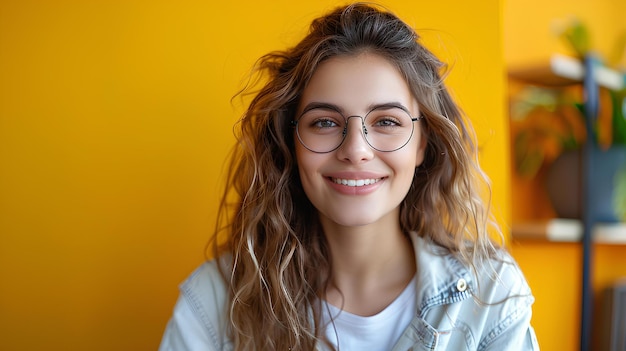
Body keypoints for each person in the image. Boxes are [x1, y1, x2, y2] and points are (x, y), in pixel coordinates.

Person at [159, 3, 538, 350]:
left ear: (423, 143)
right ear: (290, 142)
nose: (356, 148)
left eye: (387, 121)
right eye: (324, 122)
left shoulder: (491, 297)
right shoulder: (215, 301)